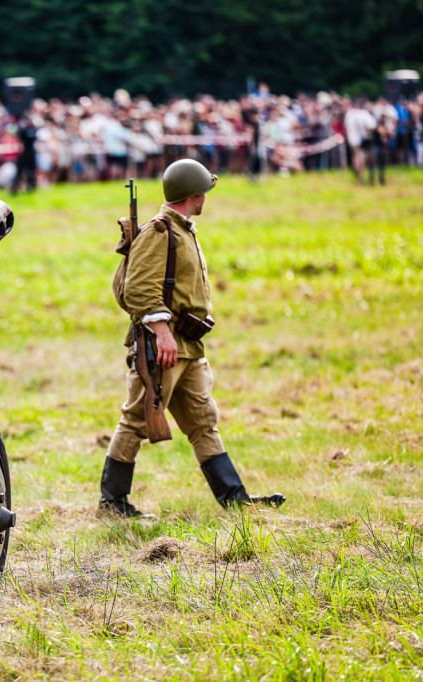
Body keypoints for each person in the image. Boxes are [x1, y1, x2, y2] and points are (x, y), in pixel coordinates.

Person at [99, 159, 284, 517]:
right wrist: (163, 332)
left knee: (202, 421)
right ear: (193, 193)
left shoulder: (183, 229)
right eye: (204, 191)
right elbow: (138, 289)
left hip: (188, 346)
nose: (207, 196)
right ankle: (112, 503)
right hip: (162, 347)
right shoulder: (159, 232)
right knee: (137, 419)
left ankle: (235, 500)